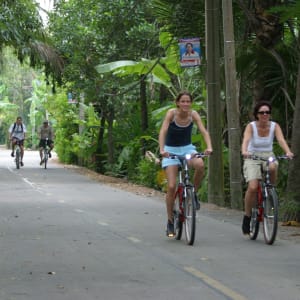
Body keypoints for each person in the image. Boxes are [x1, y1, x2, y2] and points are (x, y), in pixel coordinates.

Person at [159, 91, 213, 237]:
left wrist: (209, 147)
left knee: (200, 165)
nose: (185, 104)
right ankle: (170, 221)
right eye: (182, 101)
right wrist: (162, 149)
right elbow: (163, 130)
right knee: (171, 186)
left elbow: (203, 131)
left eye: (188, 101)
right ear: (177, 103)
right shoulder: (171, 114)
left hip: (187, 149)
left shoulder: (193, 115)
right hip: (170, 150)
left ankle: (192, 193)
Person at [241, 101, 294, 235]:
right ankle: (247, 217)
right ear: (257, 114)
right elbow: (246, 140)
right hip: (252, 155)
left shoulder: (274, 126)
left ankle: (270, 189)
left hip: (268, 154)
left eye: (267, 112)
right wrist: (244, 151)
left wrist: (288, 151)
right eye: (262, 112)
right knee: (253, 187)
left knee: (272, 166)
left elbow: (281, 140)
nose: (265, 115)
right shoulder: (251, 126)